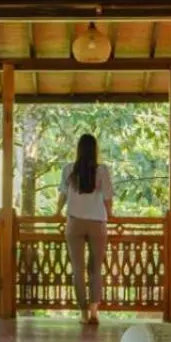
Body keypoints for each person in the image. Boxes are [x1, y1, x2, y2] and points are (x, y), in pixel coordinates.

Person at [56, 133, 114, 325]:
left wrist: (57, 212)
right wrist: (110, 215)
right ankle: (94, 311)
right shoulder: (102, 171)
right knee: (95, 269)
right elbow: (107, 199)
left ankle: (83, 313)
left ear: (78, 150)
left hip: (75, 222)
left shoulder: (69, 170)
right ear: (95, 150)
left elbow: (63, 196)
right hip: (98, 223)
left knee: (78, 270)